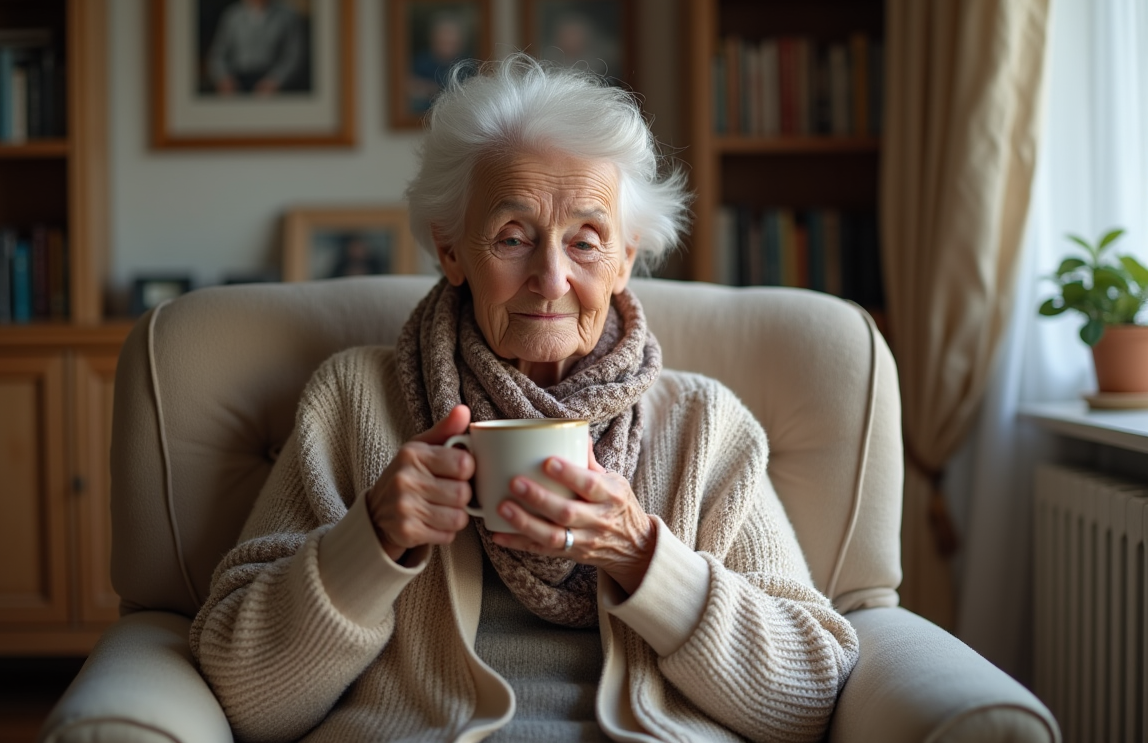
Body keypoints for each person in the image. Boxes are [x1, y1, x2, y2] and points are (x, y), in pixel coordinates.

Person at [190, 54, 859, 742]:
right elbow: (245, 693)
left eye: (586, 242)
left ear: (627, 257)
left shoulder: (705, 424)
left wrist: (641, 557)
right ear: (451, 251)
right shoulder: (354, 399)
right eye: (513, 238)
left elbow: (806, 696)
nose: (550, 278)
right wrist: (374, 538)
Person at [206, 0, 306, 96]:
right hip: (238, 84)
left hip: (275, 85)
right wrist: (223, 78)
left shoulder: (288, 15)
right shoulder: (232, 16)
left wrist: (275, 81)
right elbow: (218, 54)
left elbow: (294, 55)